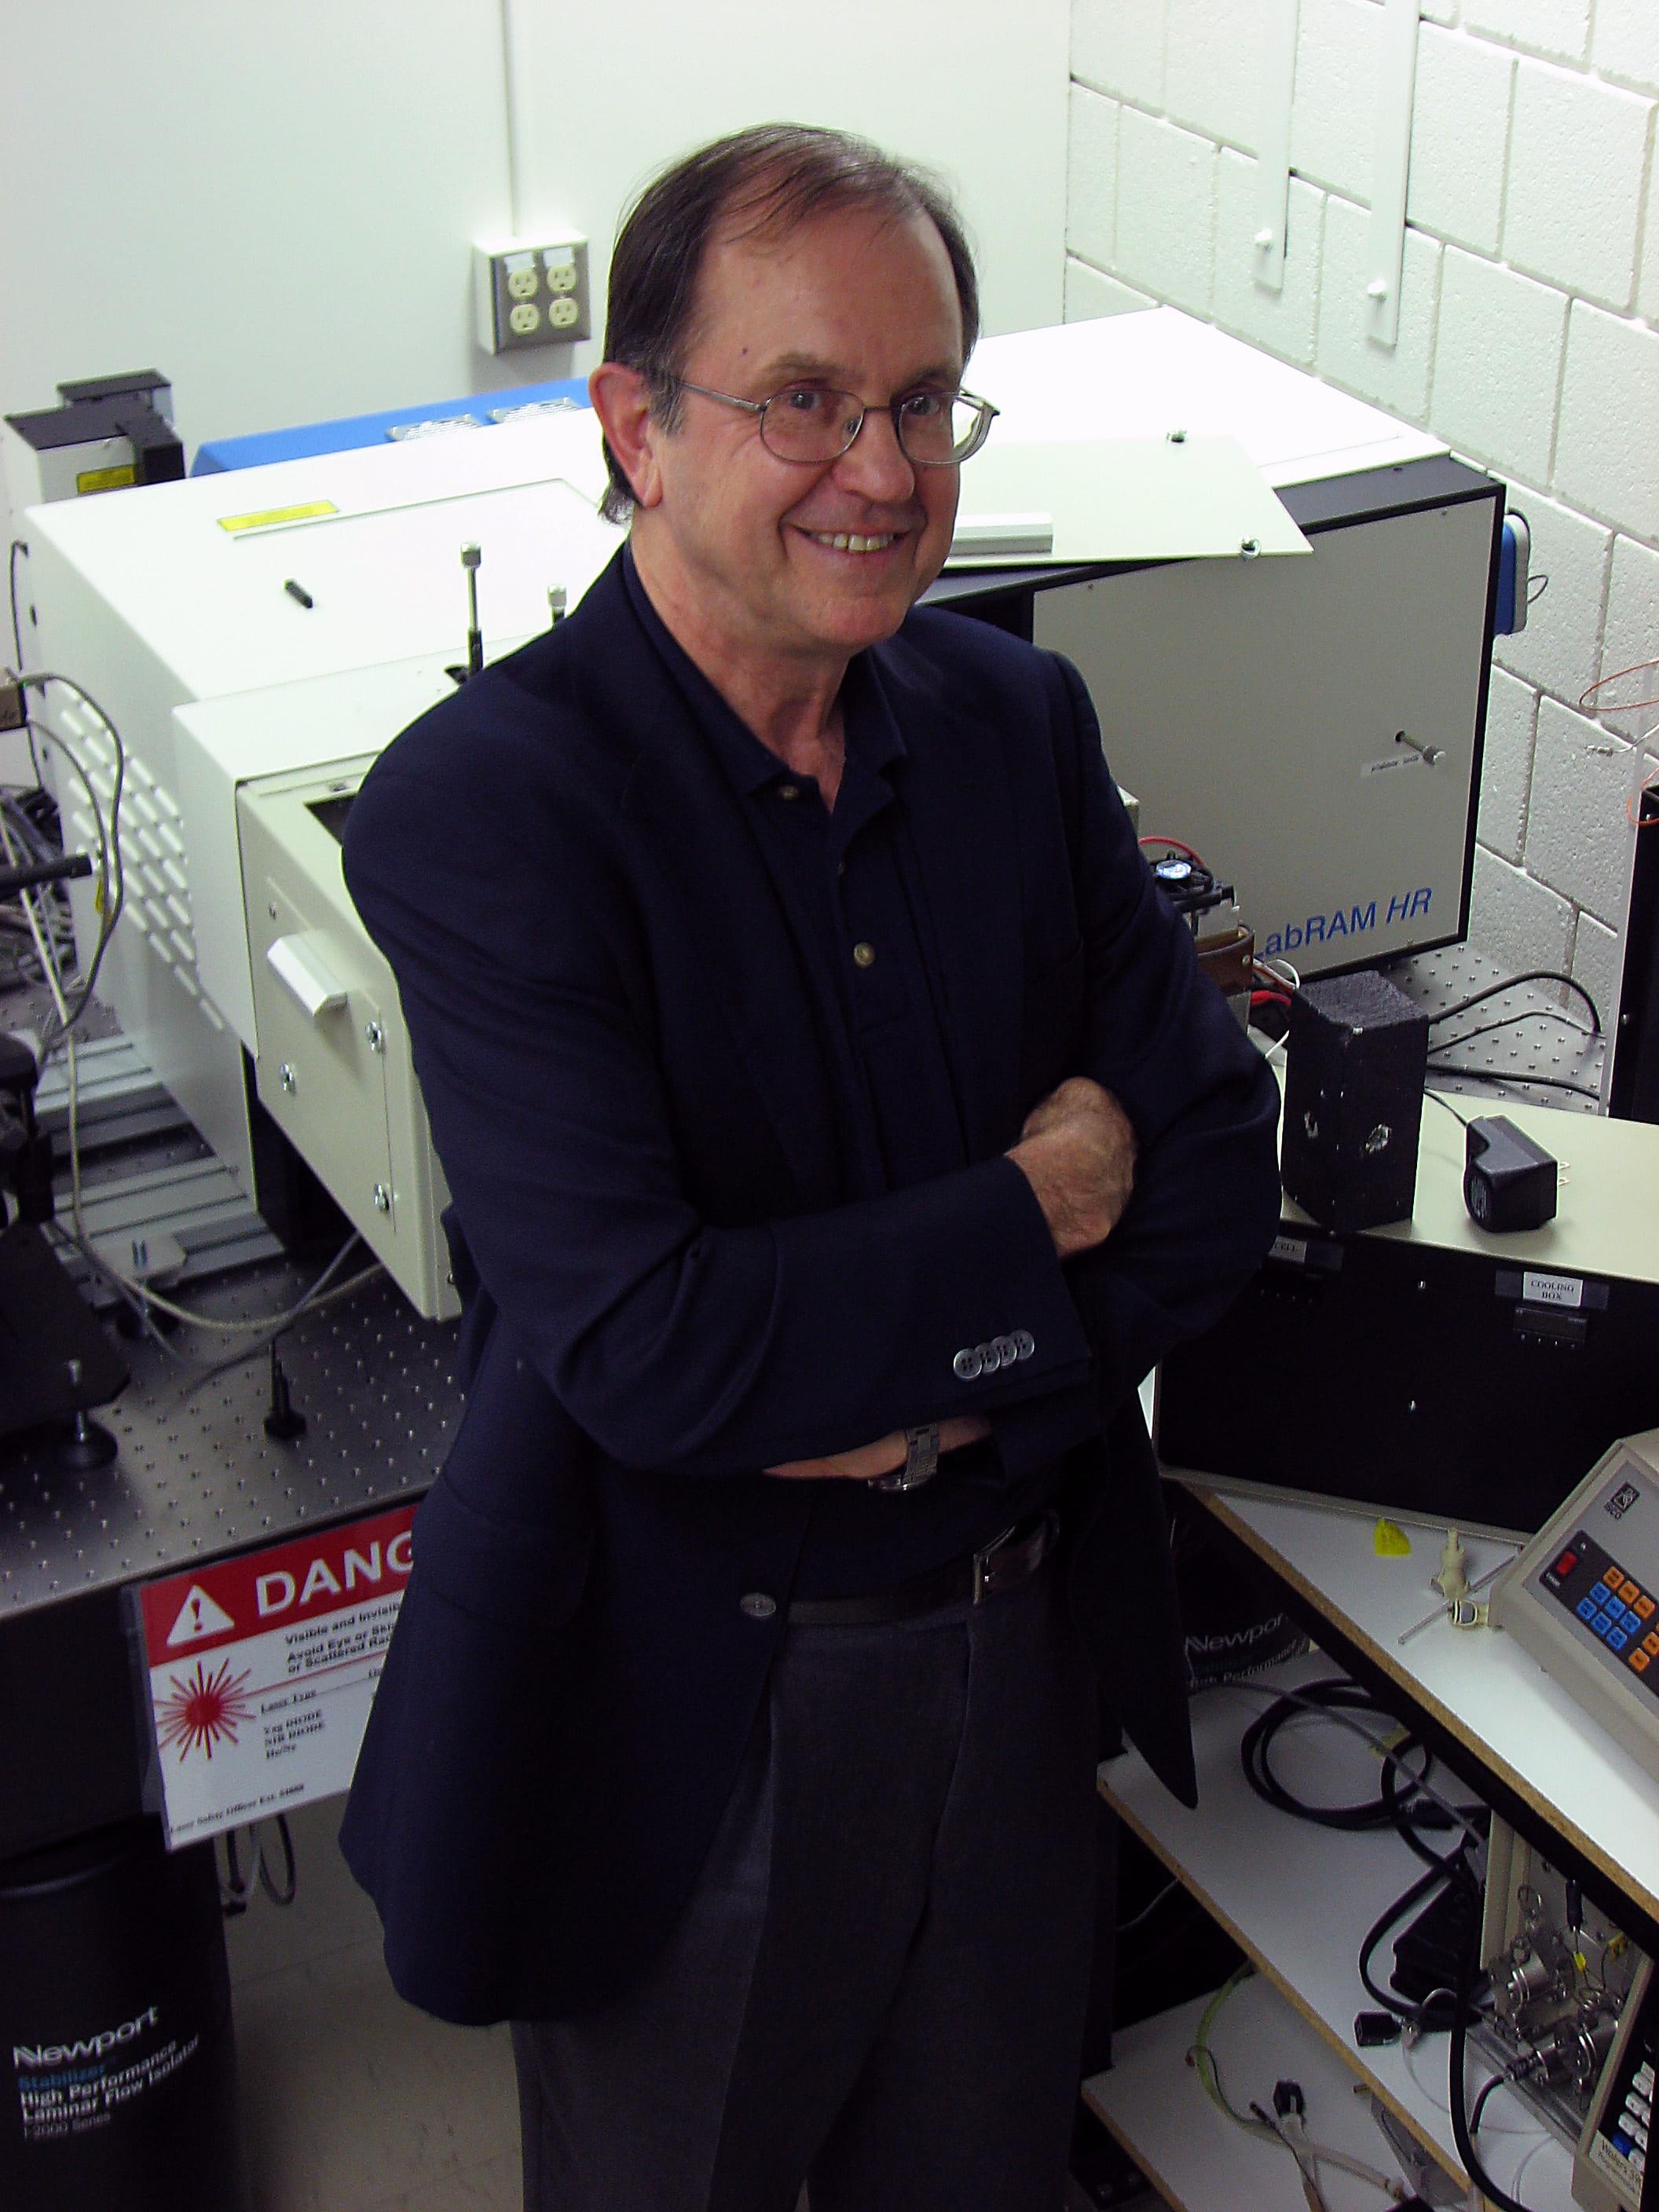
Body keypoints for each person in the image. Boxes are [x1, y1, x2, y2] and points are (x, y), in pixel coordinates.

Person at [339, 123, 1281, 2212]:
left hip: (1018, 1646)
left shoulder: (1016, 724)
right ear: (636, 430)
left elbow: (1218, 1168)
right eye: (804, 404)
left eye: (923, 401)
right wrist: (1038, 1210)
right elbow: (661, 1357)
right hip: (696, 1709)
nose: (884, 467)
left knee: (977, 2170)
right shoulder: (487, 819)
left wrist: (887, 1366)